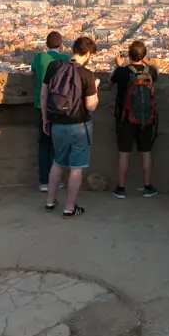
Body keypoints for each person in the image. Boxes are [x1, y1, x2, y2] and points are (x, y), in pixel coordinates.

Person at [42, 36, 99, 219]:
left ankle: (50, 201)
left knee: (57, 162)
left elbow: (44, 96)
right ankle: (69, 207)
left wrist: (45, 119)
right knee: (76, 167)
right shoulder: (87, 75)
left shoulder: (54, 67)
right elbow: (91, 106)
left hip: (57, 123)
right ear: (88, 54)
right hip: (79, 126)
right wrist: (95, 88)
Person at [110, 40, 159, 199]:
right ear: (143, 55)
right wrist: (145, 60)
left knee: (124, 153)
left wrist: (119, 65)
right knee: (146, 152)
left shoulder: (122, 72)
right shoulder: (150, 72)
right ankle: (147, 186)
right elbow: (155, 71)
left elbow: (110, 81)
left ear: (129, 55)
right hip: (146, 118)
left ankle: (121, 188)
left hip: (125, 118)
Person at [31, 31, 70, 192]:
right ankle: (56, 180)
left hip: (41, 105)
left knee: (43, 144)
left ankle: (43, 181)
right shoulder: (67, 59)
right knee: (58, 144)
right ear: (61, 44)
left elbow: (33, 74)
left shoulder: (39, 58)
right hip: (59, 106)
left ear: (46, 45)